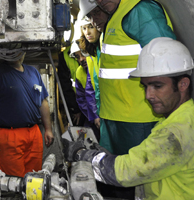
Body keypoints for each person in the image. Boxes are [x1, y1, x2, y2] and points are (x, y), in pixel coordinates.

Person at [63, 37, 194, 200]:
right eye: (146, 86)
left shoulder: (177, 131)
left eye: (157, 86)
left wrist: (80, 154)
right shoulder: (179, 118)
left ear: (183, 84)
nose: (148, 95)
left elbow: (125, 172)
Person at [79, 0, 177, 156]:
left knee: (135, 180)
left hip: (139, 119)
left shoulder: (138, 10)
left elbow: (168, 60)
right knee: (117, 179)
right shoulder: (118, 13)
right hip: (117, 117)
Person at [0, 50, 54, 177]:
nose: (15, 54)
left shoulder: (33, 72)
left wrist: (48, 129)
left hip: (34, 133)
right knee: (13, 181)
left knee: (35, 178)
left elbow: (43, 102)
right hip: (9, 135)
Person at [74, 17, 100, 137]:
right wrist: (94, 115)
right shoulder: (80, 71)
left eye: (90, 27)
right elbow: (87, 92)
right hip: (95, 112)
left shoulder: (98, 53)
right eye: (84, 28)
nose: (87, 32)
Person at [57, 44, 82, 126]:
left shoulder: (92, 48)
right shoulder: (64, 56)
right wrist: (75, 109)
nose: (81, 59)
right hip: (77, 102)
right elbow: (65, 86)